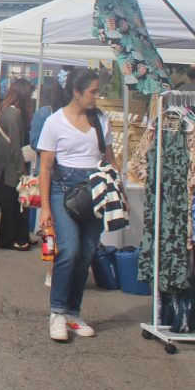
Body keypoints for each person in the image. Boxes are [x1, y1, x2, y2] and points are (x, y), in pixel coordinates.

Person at [37, 70, 116, 342]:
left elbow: (109, 158)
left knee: (85, 255)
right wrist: (45, 206)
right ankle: (57, 311)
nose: (97, 96)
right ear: (77, 92)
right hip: (63, 188)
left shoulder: (101, 119)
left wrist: (117, 191)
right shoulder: (54, 122)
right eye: (93, 91)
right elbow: (45, 167)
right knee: (68, 251)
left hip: (95, 189)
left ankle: (73, 311)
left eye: (98, 91)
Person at [0, 78, 35, 251]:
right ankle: (12, 239)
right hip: (12, 168)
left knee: (13, 206)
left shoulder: (4, 111)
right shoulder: (15, 114)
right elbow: (16, 146)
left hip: (4, 166)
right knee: (15, 206)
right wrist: (22, 171)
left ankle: (17, 237)